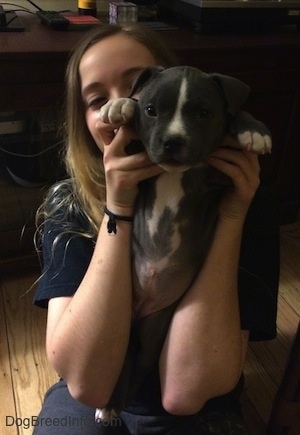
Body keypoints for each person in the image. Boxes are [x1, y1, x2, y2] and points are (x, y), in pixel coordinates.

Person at [33, 23, 279, 434]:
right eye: (98, 100)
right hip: (94, 382)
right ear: (83, 119)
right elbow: (88, 384)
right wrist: (118, 207)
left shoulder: (243, 196)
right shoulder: (70, 204)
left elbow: (185, 393)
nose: (120, 107)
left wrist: (233, 215)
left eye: (134, 91)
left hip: (197, 392)